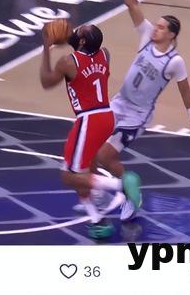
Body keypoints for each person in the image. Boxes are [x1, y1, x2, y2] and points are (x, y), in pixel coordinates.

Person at [96, 0, 190, 221]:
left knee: (105, 156)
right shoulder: (145, 35)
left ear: (172, 34)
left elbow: (187, 95)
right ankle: (108, 188)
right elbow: (131, 4)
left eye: (161, 27)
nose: (155, 28)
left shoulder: (175, 61)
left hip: (136, 115)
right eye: (155, 25)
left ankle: (132, 195)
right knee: (91, 150)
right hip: (118, 103)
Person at [39, 23, 141, 239]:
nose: (75, 32)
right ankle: (97, 221)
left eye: (79, 32)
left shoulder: (68, 62)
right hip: (106, 116)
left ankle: (120, 184)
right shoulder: (105, 54)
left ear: (83, 41)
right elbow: (85, 53)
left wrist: (46, 46)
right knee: (83, 170)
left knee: (68, 176)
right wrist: (70, 39)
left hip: (89, 119)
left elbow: (46, 82)